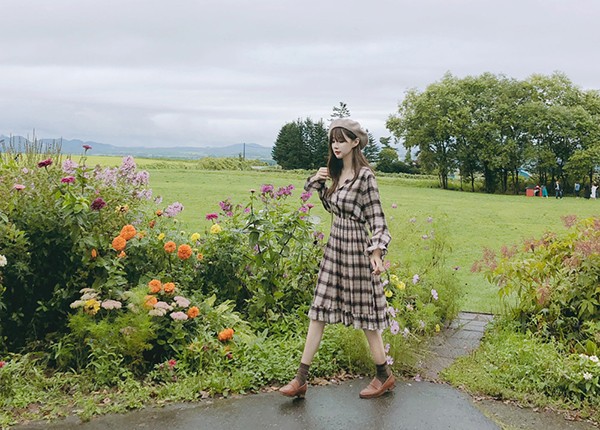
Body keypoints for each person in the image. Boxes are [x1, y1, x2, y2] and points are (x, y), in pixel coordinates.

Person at [279, 118, 394, 400]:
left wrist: (376, 253)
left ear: (355, 142)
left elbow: (378, 220)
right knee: (318, 310)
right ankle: (300, 378)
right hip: (334, 249)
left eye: (342, 140)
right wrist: (319, 184)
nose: (336, 145)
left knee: (367, 316)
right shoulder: (336, 173)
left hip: (356, 250)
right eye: (333, 140)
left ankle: (383, 375)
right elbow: (333, 207)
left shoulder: (365, 177)